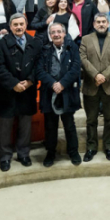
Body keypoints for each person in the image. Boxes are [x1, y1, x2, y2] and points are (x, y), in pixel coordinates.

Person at [0, 14, 42, 171]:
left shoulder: (35, 43)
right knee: (5, 126)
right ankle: (5, 157)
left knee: (25, 125)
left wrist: (29, 81)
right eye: (15, 24)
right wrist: (14, 84)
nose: (19, 27)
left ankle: (23, 154)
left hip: (28, 90)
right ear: (10, 26)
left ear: (26, 24)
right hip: (8, 91)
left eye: (21, 24)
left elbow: (39, 65)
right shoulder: (1, 44)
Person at [36, 22, 82, 167]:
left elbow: (75, 68)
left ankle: (73, 151)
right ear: (50, 35)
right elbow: (39, 71)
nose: (56, 34)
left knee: (69, 124)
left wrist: (62, 83)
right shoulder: (44, 49)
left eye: (58, 32)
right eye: (53, 32)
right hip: (49, 92)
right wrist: (53, 84)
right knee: (50, 125)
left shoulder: (72, 47)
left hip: (67, 91)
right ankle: (50, 153)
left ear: (64, 33)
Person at [79, 13, 110, 161]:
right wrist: (95, 75)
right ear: (94, 24)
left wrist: (103, 75)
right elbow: (83, 59)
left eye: (104, 21)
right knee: (91, 120)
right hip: (90, 85)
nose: (101, 24)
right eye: (98, 22)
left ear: (108, 23)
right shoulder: (86, 39)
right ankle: (91, 147)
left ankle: (109, 146)